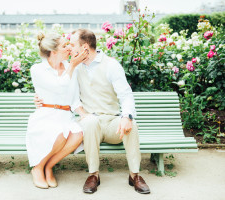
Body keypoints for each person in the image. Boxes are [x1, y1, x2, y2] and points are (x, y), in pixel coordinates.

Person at [35, 29, 150, 194]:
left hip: (112, 123)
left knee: (131, 124)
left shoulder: (111, 65)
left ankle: (135, 175)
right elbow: (60, 87)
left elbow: (126, 94)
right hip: (90, 123)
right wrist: (40, 98)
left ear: (85, 48)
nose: (69, 48)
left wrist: (127, 116)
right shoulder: (74, 67)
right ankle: (93, 175)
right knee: (89, 122)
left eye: (73, 45)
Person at [26, 32, 88, 189]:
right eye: (64, 46)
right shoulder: (38, 69)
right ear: (53, 51)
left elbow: (73, 98)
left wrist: (82, 113)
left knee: (77, 135)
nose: (68, 48)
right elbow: (59, 87)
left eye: (68, 44)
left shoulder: (70, 67)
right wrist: (73, 66)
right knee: (59, 134)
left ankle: (48, 166)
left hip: (65, 115)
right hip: (45, 115)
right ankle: (37, 168)